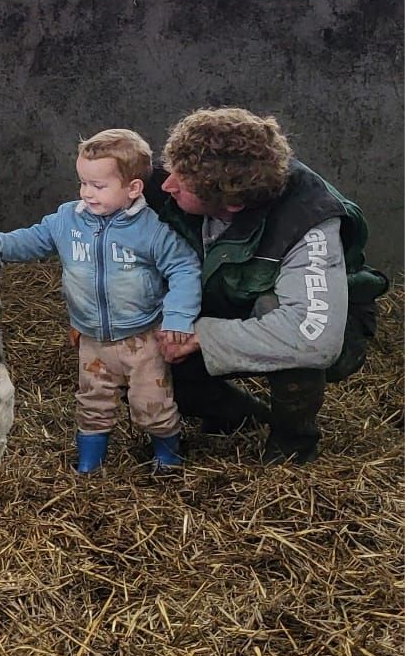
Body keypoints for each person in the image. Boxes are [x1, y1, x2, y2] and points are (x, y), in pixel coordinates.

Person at [143, 107, 389, 464]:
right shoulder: (172, 179)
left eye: (184, 183)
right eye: (171, 168)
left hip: (321, 321)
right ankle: (239, 413)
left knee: (283, 323)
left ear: (232, 203)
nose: (167, 184)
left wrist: (200, 336)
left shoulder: (308, 218)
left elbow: (313, 334)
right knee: (127, 345)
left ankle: (293, 445)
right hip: (216, 295)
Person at [0, 128, 201, 474]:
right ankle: (89, 464)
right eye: (83, 183)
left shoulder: (152, 229)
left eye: (98, 186)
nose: (87, 193)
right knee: (92, 403)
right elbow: (29, 240)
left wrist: (177, 316)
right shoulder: (68, 220)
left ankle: (167, 457)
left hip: (143, 337)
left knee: (151, 403)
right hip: (91, 337)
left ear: (133, 188)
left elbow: (184, 268)